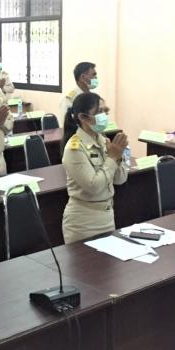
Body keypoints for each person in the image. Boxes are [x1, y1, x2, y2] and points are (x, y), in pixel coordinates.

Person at [61, 92, 128, 244]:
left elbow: (120, 179)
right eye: (99, 112)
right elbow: (94, 186)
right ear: (83, 117)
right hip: (83, 222)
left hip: (107, 217)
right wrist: (112, 158)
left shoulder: (103, 140)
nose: (104, 116)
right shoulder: (74, 148)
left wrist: (118, 156)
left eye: (106, 111)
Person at [59, 62, 99, 126]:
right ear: (83, 77)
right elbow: (67, 124)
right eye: (93, 75)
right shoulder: (69, 99)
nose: (96, 78)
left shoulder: (93, 97)